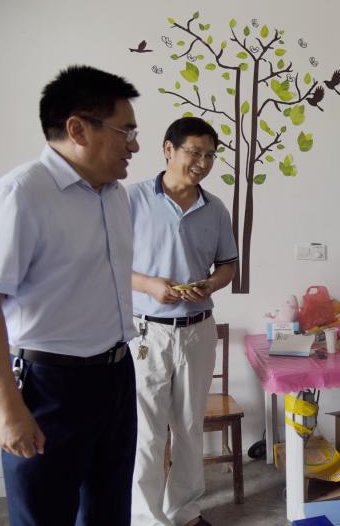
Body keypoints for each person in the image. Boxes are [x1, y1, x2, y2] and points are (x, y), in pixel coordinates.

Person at [0, 65, 140, 525]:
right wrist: (5, 407)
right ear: (77, 129)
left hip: (116, 375)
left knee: (109, 511)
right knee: (45, 515)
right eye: (125, 131)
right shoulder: (21, 195)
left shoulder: (115, 196)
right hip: (51, 386)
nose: (134, 146)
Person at [128, 117, 237, 526]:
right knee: (147, 432)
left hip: (198, 329)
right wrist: (149, 286)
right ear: (169, 149)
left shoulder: (215, 208)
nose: (203, 163)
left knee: (190, 427)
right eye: (194, 152)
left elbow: (227, 266)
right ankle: (146, 518)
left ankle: (185, 511)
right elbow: (108, 263)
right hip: (146, 332)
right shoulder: (132, 199)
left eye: (210, 155)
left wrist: (209, 284)